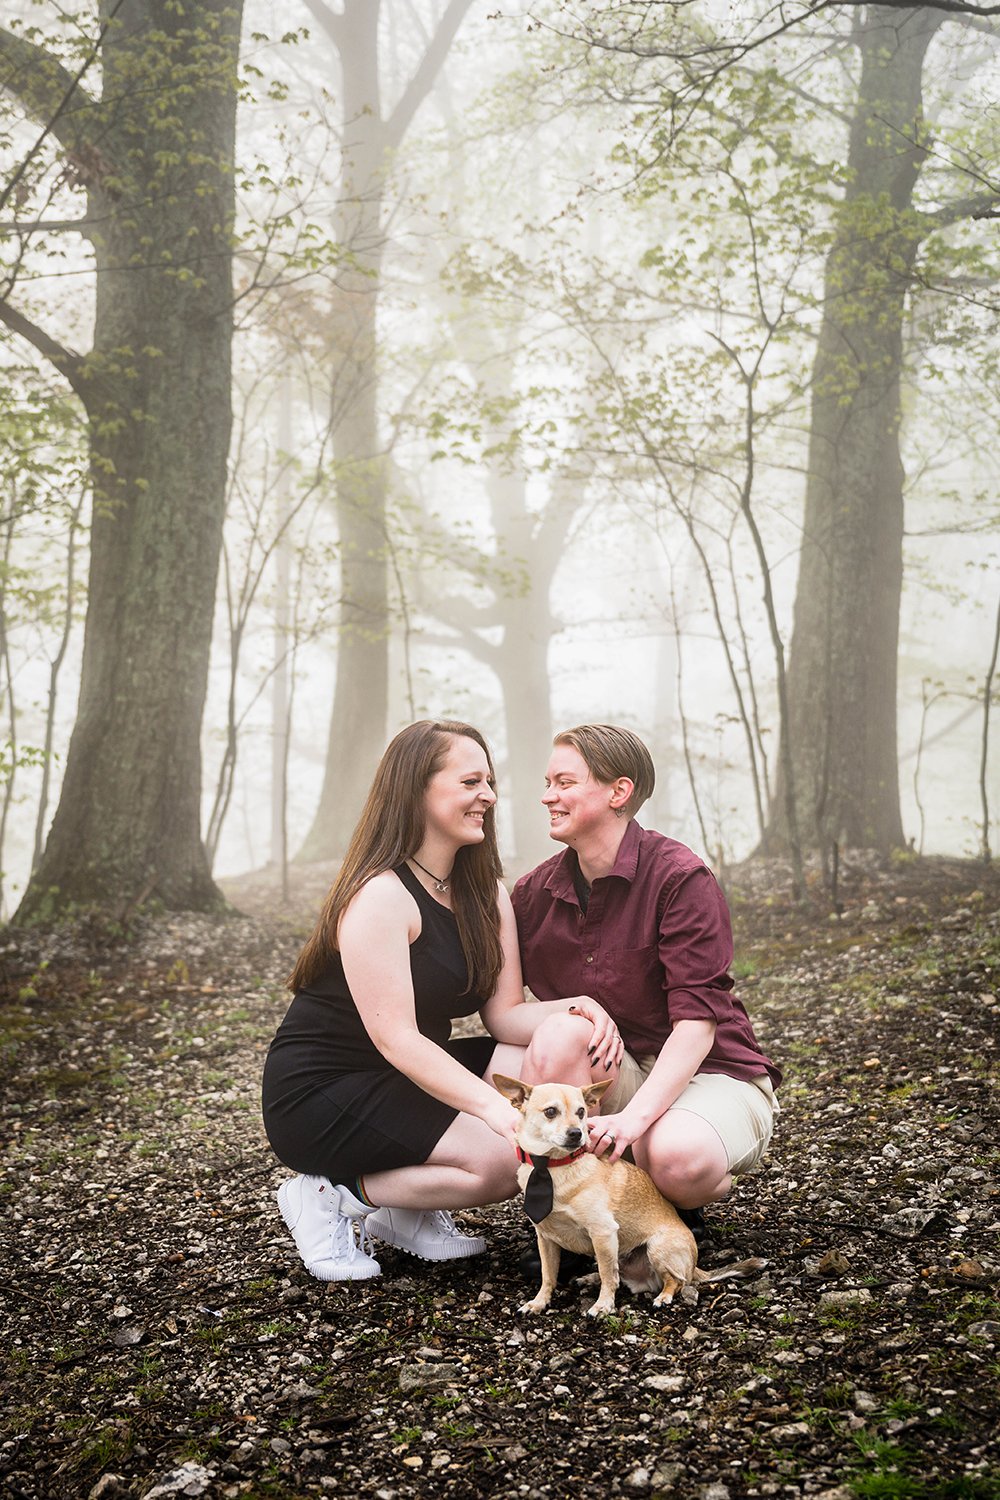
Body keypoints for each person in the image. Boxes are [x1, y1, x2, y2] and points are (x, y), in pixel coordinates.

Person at [261, 719, 621, 1282]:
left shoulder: (484, 892)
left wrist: (577, 1006)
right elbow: (395, 1037)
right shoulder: (381, 895)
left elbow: (503, 1017)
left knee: (561, 1049)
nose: (490, 797)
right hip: (325, 1089)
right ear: (417, 790)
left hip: (402, 1076)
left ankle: (407, 1213)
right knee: (507, 1159)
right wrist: (496, 1112)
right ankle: (335, 1196)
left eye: (490, 781)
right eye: (471, 782)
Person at [511, 724, 780, 1241]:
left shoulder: (679, 878)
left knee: (678, 1161)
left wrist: (631, 1122)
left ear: (619, 791)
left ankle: (662, 1198)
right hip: (618, 1070)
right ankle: (565, 1227)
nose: (548, 796)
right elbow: (499, 1010)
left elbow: (698, 1028)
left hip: (710, 1070)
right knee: (558, 1032)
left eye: (564, 782)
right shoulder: (532, 893)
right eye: (547, 782)